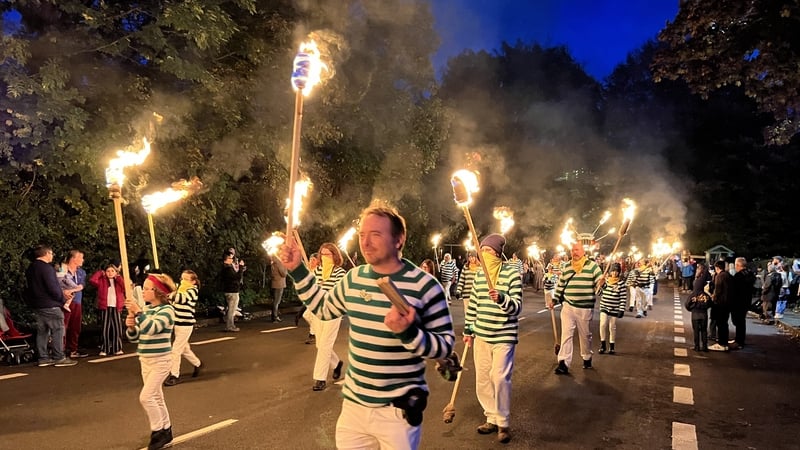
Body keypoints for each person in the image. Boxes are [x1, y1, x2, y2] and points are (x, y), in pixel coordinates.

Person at [279, 205, 454, 450]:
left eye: (376, 234)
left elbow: (445, 346)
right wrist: (298, 270)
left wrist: (409, 333)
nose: (366, 242)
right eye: (362, 234)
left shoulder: (426, 286)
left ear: (399, 239)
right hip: (354, 409)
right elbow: (323, 308)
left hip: (397, 412)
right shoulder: (354, 278)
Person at [463, 234, 522, 444]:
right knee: (483, 379)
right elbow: (473, 305)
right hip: (482, 335)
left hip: (504, 336)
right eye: (481, 251)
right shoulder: (479, 275)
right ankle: (491, 417)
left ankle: (503, 422)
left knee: (499, 378)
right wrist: (468, 330)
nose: (483, 255)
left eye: (487, 251)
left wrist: (502, 298)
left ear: (497, 253)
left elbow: (517, 307)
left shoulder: (512, 274)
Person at [125, 273, 177, 450]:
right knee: (156, 397)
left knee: (146, 397)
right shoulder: (147, 310)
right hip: (145, 359)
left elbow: (153, 328)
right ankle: (166, 430)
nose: (143, 291)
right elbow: (136, 337)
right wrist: (131, 326)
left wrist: (139, 312)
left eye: (147, 289)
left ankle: (157, 432)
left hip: (161, 360)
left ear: (158, 292)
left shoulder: (167, 311)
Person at [549, 242, 603, 374]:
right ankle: (563, 362)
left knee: (585, 336)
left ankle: (587, 356)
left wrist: (602, 283)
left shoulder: (593, 266)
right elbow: (561, 285)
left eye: (577, 250)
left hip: (585, 308)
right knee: (566, 335)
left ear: (583, 252)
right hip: (568, 306)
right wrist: (554, 299)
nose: (574, 252)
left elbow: (600, 288)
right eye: (573, 250)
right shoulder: (567, 266)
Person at [25, 244, 77, 367]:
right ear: (47, 253)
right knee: (58, 329)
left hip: (38, 304)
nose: (52, 256)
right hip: (50, 304)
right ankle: (59, 357)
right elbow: (53, 287)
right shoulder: (47, 268)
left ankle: (43, 357)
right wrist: (62, 299)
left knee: (42, 331)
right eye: (52, 253)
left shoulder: (31, 268)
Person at [309, 243, 347, 391]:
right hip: (318, 312)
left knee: (325, 344)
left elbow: (336, 292)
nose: (324, 257)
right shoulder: (317, 271)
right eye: (322, 254)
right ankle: (336, 363)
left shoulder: (340, 272)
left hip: (332, 312)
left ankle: (320, 378)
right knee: (320, 345)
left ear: (334, 256)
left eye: (328, 254)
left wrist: (322, 290)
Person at [164, 270, 203, 386]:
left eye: (186, 279)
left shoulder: (192, 291)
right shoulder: (180, 289)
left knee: (176, 350)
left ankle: (174, 375)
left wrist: (171, 294)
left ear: (193, 281)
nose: (183, 281)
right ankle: (198, 364)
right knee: (184, 349)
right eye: (182, 279)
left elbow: (181, 298)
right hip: (177, 324)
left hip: (186, 325)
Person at [90, 262, 126, 356]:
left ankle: (117, 348)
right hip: (105, 306)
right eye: (108, 271)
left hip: (116, 306)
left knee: (117, 328)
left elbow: (125, 286)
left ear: (116, 272)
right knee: (105, 328)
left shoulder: (118, 281)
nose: (110, 273)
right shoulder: (102, 280)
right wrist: (100, 273)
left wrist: (118, 277)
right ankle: (105, 348)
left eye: (112, 271)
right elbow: (93, 280)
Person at [61, 250, 88, 358]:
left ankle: (73, 349)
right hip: (64, 302)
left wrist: (73, 290)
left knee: (75, 326)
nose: (82, 260)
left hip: (77, 301)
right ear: (73, 258)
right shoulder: (62, 269)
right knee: (63, 326)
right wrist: (63, 292)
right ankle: (61, 350)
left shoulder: (81, 272)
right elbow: (56, 283)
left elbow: (82, 285)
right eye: (81, 258)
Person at [598, 262, 626, 355]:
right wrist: (600, 286)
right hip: (604, 306)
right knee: (602, 324)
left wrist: (621, 309)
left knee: (612, 327)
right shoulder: (606, 281)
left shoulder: (621, 284)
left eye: (616, 271)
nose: (614, 273)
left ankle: (612, 346)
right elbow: (599, 293)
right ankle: (603, 345)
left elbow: (623, 297)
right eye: (613, 271)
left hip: (614, 308)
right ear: (610, 272)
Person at [730, 257, 755, 350]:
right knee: (741, 321)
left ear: (737, 265)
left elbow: (734, 290)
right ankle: (739, 339)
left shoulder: (738, 276)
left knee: (738, 321)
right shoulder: (750, 273)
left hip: (738, 301)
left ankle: (739, 341)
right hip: (746, 301)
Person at [685, 268, 712, 352]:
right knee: (704, 331)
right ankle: (705, 346)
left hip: (695, 315)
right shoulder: (706, 295)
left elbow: (687, 304)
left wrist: (691, 308)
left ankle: (697, 346)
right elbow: (710, 304)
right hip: (704, 315)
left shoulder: (693, 295)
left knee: (696, 331)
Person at [708, 260, 732, 351]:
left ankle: (721, 343)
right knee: (724, 323)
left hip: (720, 303)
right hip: (728, 303)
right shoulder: (728, 275)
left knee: (720, 323)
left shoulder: (719, 276)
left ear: (717, 268)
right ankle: (724, 342)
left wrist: (713, 297)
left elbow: (717, 290)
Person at [220, 248, 245, 332]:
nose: (232, 260)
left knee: (231, 309)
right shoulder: (227, 269)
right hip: (232, 291)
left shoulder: (227, 268)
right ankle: (229, 326)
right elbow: (237, 277)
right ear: (226, 259)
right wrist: (241, 268)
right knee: (232, 310)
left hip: (230, 290)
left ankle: (231, 325)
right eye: (230, 258)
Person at [295, 252, 320, 327]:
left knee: (310, 314)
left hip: (317, 296)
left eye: (314, 260)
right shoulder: (308, 270)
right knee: (307, 314)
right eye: (310, 260)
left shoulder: (320, 270)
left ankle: (314, 330)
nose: (311, 262)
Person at [269, 254, 287, 322]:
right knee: (277, 301)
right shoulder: (279, 263)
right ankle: (275, 317)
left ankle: (274, 316)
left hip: (274, 283)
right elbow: (283, 273)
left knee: (275, 300)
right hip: (279, 284)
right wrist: (286, 267)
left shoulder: (273, 262)